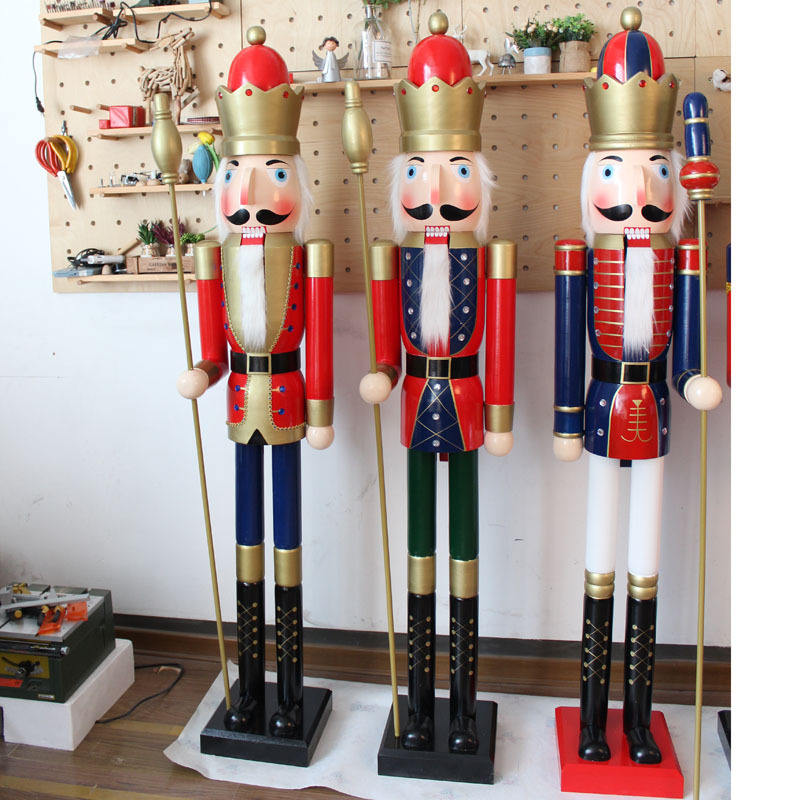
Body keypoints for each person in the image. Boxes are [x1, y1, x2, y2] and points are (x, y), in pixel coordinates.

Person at [553, 7, 722, 765]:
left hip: (655, 411)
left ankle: (640, 719)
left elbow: (688, 340)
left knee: (644, 568)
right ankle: (593, 720)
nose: (637, 190)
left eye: (655, 168)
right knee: (600, 561)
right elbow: (569, 344)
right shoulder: (579, 257)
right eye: (616, 170)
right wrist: (566, 418)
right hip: (599, 407)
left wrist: (691, 379)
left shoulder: (682, 255)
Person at [361, 11, 516, 755]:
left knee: (465, 552)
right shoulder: (394, 259)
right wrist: (382, 372)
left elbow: (502, 342)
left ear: (478, 178)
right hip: (417, 403)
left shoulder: (490, 259)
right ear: (401, 181)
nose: (436, 189)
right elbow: (385, 342)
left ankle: (463, 708)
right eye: (421, 170)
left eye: (456, 169)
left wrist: (504, 414)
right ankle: (419, 703)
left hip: (469, 403)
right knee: (420, 548)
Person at [177, 27, 334, 739]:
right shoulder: (215, 258)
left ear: (293, 178)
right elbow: (214, 349)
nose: (250, 191)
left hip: (292, 398)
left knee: (287, 544)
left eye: (271, 171)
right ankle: (247, 687)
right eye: (239, 171)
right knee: (246, 545)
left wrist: (323, 409)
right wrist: (203, 370)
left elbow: (319, 339)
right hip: (242, 400)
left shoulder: (306, 256)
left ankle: (291, 690)